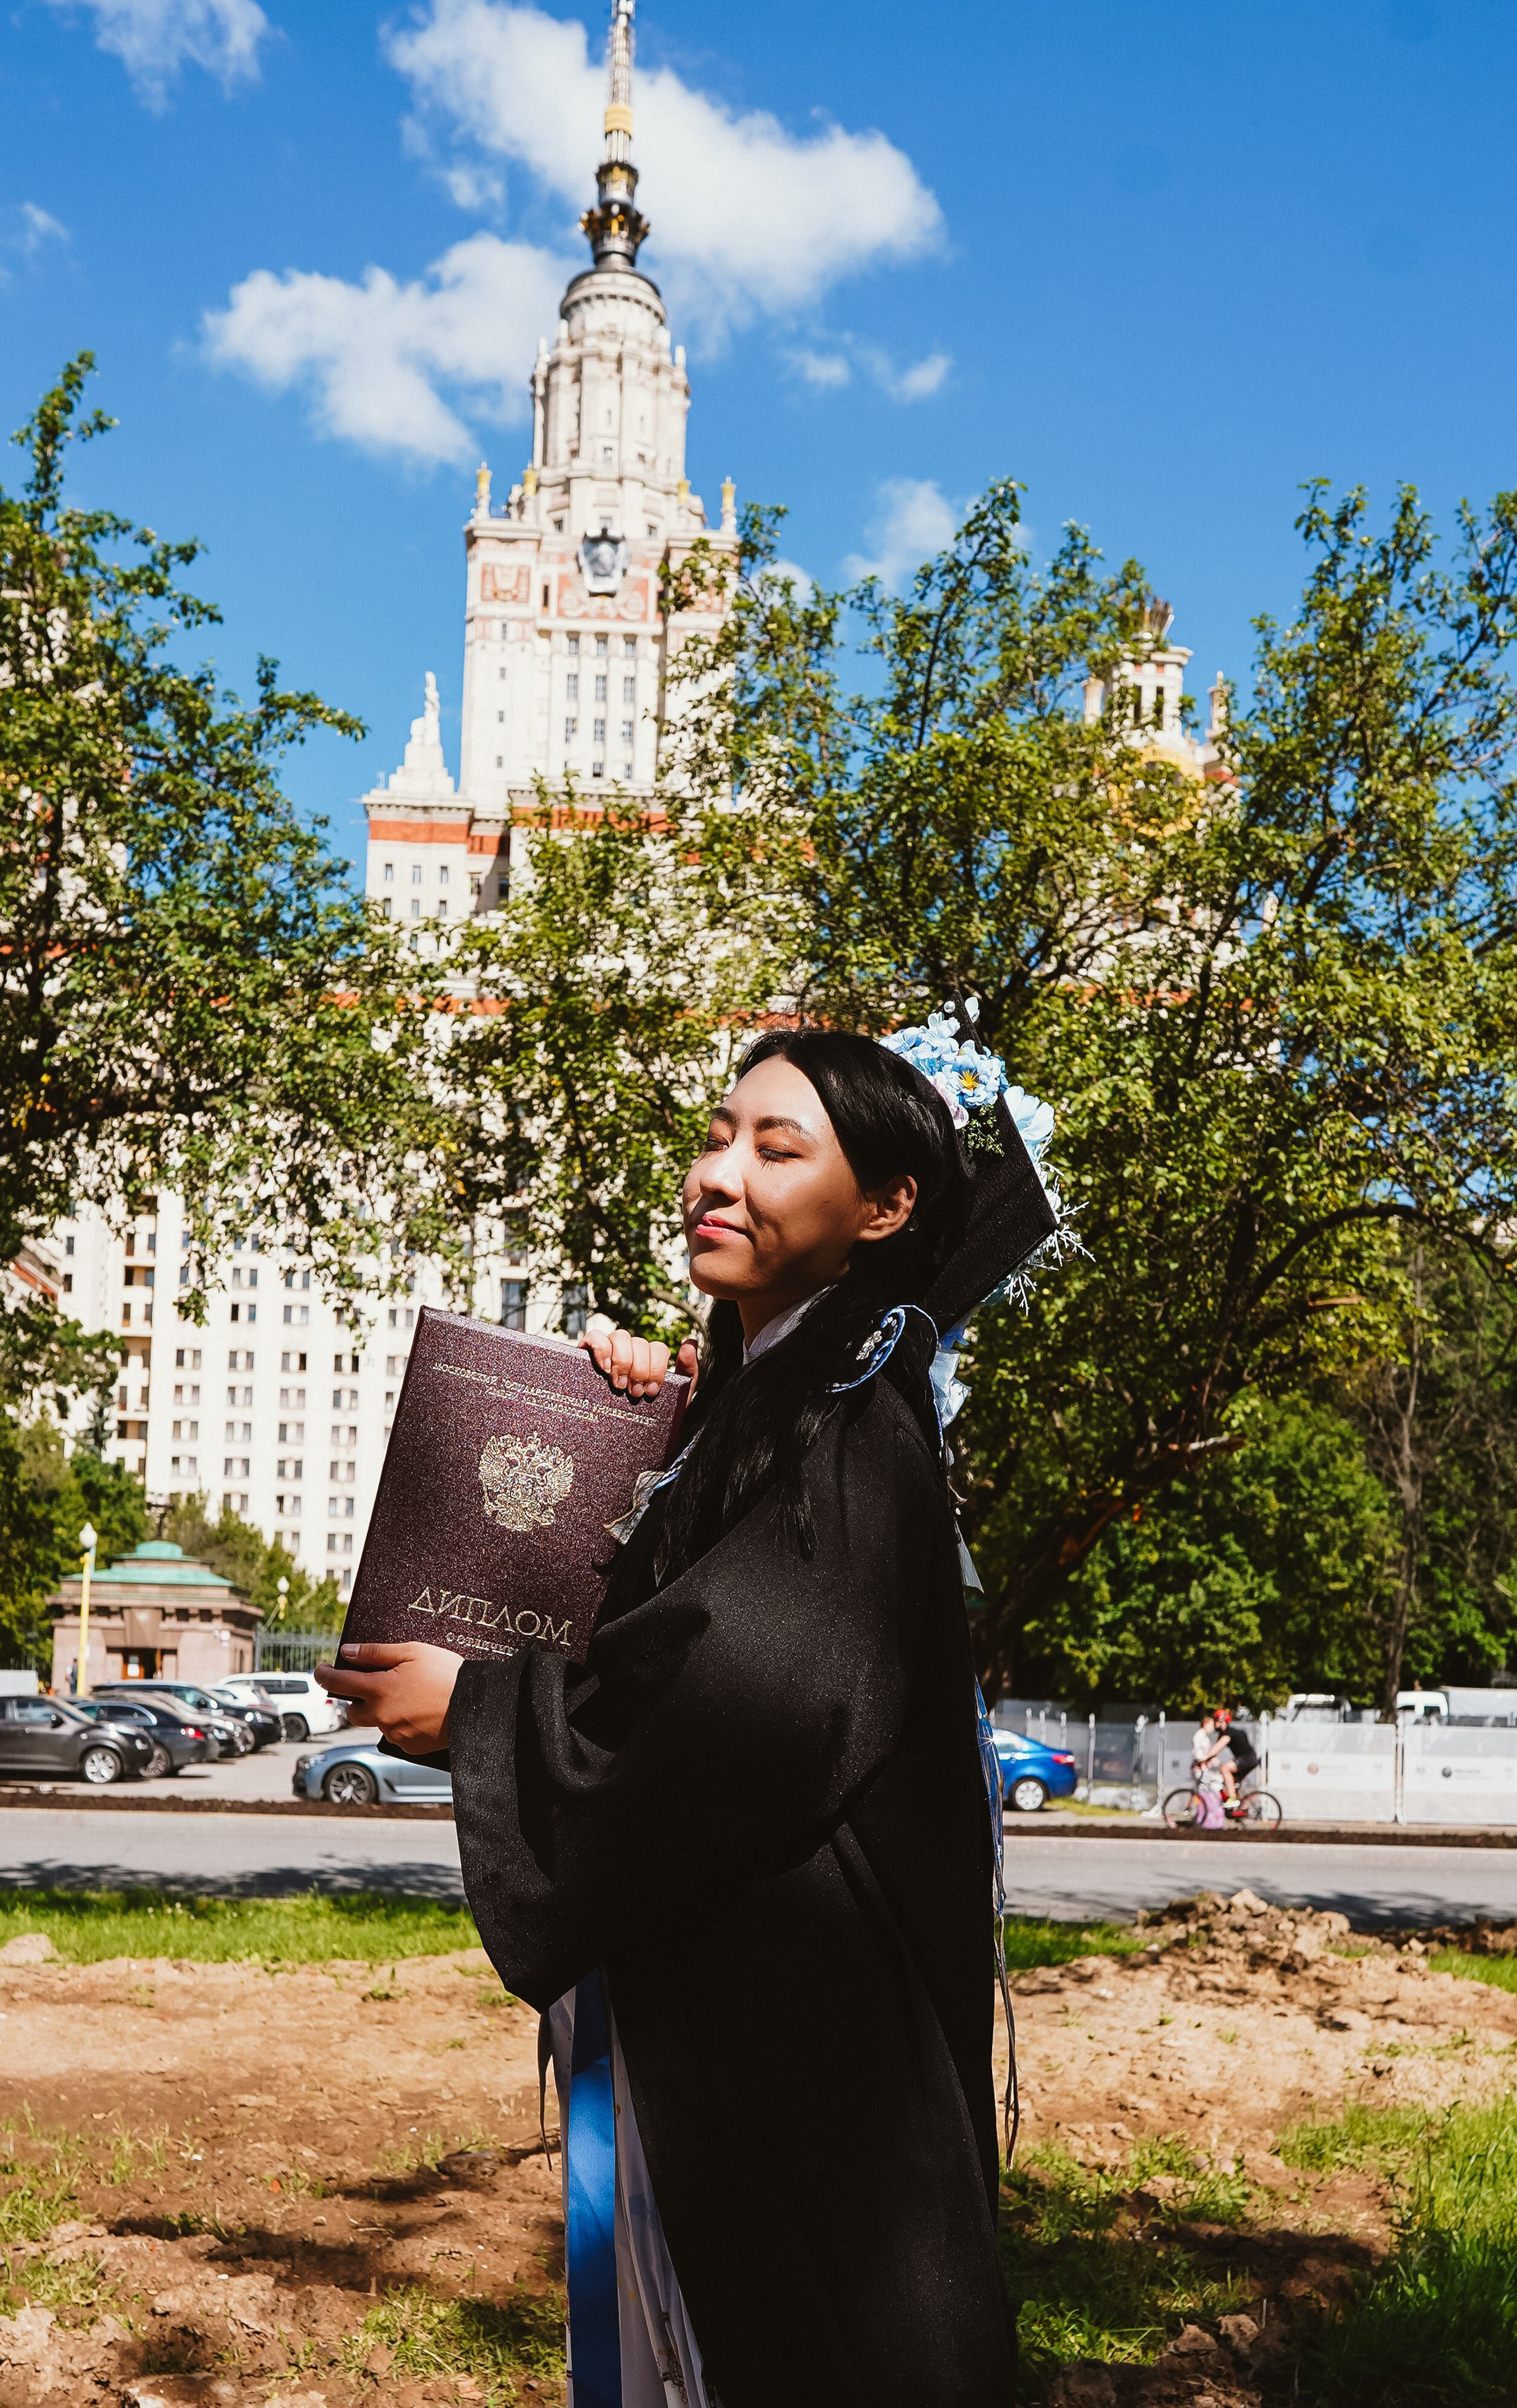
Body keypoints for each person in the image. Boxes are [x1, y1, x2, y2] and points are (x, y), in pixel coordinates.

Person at [320, 1030, 1018, 2408]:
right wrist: (620, 1449)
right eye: (714, 1137)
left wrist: (475, 1711)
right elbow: (638, 1624)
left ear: (882, 1210)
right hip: (727, 2023)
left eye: (774, 1149)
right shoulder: (764, 1409)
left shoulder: (850, 1428)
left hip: (808, 2059)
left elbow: (747, 1703)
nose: (718, 1173)